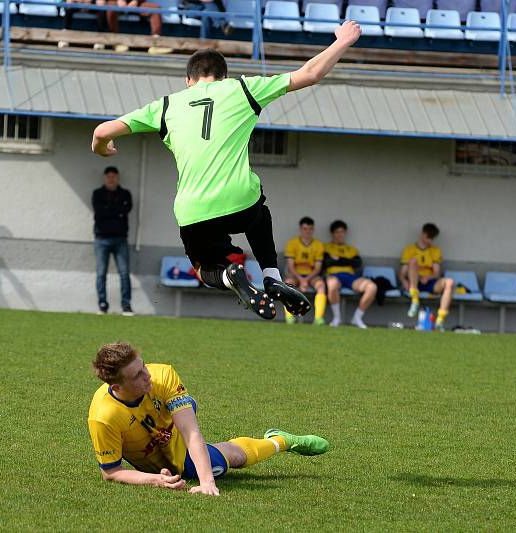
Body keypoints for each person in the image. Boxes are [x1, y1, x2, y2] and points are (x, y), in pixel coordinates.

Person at [90, 22, 362, 319]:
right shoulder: (243, 89)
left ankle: (230, 277)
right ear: (224, 76)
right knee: (260, 212)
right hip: (240, 201)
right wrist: (343, 41)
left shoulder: (167, 106)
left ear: (188, 80)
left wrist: (102, 148)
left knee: (204, 269)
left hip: (194, 210)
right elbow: (312, 73)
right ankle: (271, 276)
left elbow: (103, 131)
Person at [88, 341, 329, 496]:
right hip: (161, 454)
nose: (147, 375)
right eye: (137, 375)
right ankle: (182, 409)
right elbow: (111, 472)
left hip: (178, 438)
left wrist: (207, 482)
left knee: (229, 460)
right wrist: (155, 480)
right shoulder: (103, 417)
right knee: (193, 459)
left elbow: (191, 432)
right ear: (117, 387)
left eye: (144, 366)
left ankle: (281, 440)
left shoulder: (163, 375)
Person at [92, 166, 133, 316]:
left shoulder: (125, 194)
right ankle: (102, 305)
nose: (111, 179)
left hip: (120, 239)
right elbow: (99, 212)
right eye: (108, 176)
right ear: (104, 178)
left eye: (114, 176)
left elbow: (126, 210)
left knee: (124, 273)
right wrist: (117, 211)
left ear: (118, 178)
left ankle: (126, 305)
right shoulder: (97, 194)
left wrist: (110, 210)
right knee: (101, 273)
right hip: (101, 239)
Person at [399, 223, 455, 331]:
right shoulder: (409, 249)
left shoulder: (435, 251)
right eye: (428, 237)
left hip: (429, 282)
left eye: (432, 239)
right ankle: (415, 300)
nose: (430, 241)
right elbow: (403, 272)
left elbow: (436, 272)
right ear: (423, 234)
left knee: (450, 282)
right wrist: (403, 280)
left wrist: (428, 277)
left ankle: (440, 320)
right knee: (413, 260)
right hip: (414, 282)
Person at [324, 220, 377, 329]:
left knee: (372, 287)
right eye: (337, 232)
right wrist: (347, 260)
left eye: (342, 232)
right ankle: (337, 318)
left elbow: (357, 263)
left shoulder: (351, 249)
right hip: (334, 275)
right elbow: (327, 262)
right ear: (333, 233)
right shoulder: (327, 247)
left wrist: (338, 259)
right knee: (332, 285)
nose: (340, 235)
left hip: (350, 276)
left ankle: (357, 318)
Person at [284, 217, 327, 325]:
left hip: (311, 276)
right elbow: (290, 266)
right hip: (295, 275)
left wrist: (306, 280)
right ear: (300, 229)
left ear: (313, 230)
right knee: (287, 285)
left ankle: (318, 319)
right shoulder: (292, 243)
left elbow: (318, 268)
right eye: (305, 229)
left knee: (321, 285)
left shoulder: (318, 245)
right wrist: (301, 280)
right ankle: (289, 317)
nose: (307, 231)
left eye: (310, 229)